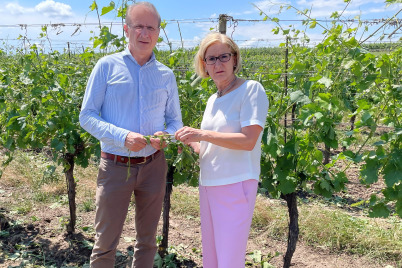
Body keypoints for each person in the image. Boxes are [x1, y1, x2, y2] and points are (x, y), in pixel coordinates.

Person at [79, 2, 182, 267]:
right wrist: (122, 136)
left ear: (158, 33)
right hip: (115, 166)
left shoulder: (166, 75)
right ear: (127, 29)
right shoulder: (106, 67)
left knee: (147, 241)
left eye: (151, 27)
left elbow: (175, 122)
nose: (144, 33)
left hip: (153, 167)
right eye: (139, 26)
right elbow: (86, 115)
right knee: (105, 245)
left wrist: (167, 136)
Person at [175, 32, 269, 268]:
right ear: (204, 65)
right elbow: (207, 147)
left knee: (229, 260)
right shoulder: (212, 100)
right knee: (212, 259)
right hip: (208, 185)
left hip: (235, 185)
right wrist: (183, 140)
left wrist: (202, 134)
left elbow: (248, 141)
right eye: (211, 59)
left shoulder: (251, 90)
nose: (218, 64)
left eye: (223, 57)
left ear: (235, 58)